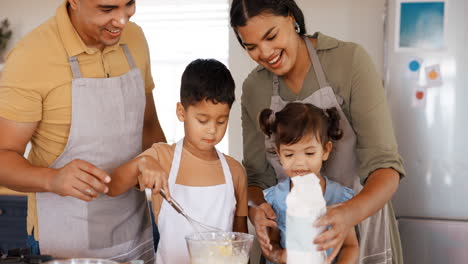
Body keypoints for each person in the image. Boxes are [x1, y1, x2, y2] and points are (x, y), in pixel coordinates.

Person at [229, 0, 406, 263]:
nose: (265, 53)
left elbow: (386, 167)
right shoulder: (255, 87)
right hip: (296, 239)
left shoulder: (349, 62)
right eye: (251, 47)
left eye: (271, 35)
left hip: (363, 226)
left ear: (291, 17)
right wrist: (256, 211)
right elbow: (256, 179)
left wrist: (348, 213)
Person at [0, 0, 166, 262]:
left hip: (137, 235)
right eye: (107, 9)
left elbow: (149, 126)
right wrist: (52, 179)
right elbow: (2, 156)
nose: (122, 20)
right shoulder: (31, 56)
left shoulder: (134, 38)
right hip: (65, 245)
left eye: (129, 4)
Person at [107, 58, 249, 264]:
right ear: (181, 112)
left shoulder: (235, 171)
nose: (212, 129)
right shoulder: (161, 157)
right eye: (202, 120)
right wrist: (141, 164)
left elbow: (240, 241)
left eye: (221, 121)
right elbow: (112, 187)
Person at [258, 102, 359, 264]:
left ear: (325, 151)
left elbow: (350, 246)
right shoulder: (276, 198)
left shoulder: (339, 197)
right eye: (289, 155)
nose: (299, 163)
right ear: (279, 154)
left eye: (309, 153)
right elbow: (272, 242)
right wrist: (279, 255)